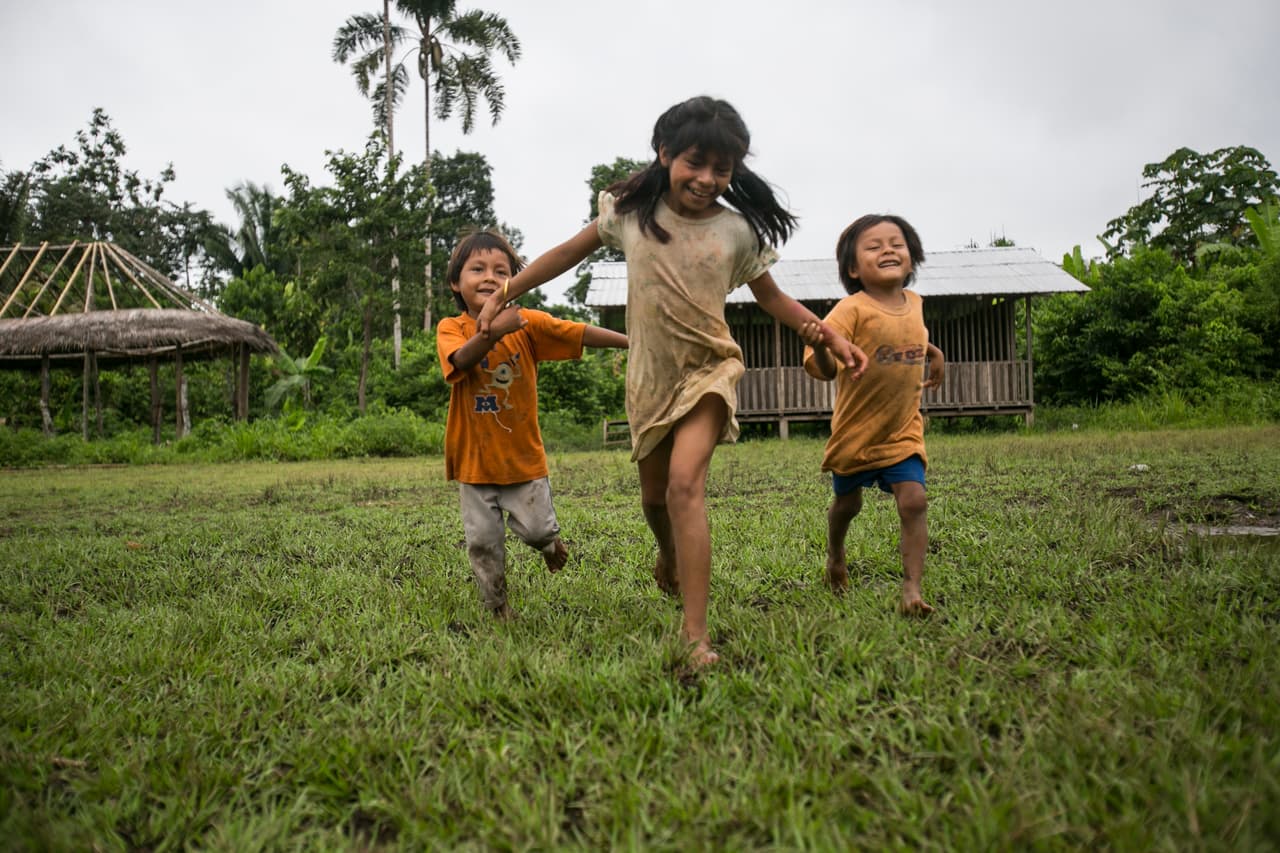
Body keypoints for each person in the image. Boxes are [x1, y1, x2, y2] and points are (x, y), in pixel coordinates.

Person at [476, 96, 866, 666]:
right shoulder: (633, 216)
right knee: (655, 499)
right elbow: (565, 254)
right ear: (664, 154)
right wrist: (508, 290)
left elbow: (774, 299)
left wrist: (825, 332)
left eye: (722, 168)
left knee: (686, 487)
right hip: (650, 379)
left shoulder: (737, 232)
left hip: (710, 370)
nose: (708, 178)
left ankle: (695, 635)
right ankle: (667, 555)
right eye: (695, 162)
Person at [437, 230, 628, 620]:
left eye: (501, 270)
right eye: (477, 269)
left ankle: (549, 545)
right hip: (474, 465)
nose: (489, 277)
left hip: (523, 460)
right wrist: (493, 331)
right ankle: (497, 607)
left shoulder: (528, 324)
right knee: (484, 543)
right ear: (456, 282)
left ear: (515, 280)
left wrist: (632, 341)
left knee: (539, 530)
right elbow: (461, 361)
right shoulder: (452, 328)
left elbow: (577, 332)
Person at [801, 214, 945, 616]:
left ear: (912, 259)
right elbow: (823, 366)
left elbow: (910, 334)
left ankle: (912, 590)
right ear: (852, 267)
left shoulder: (914, 303)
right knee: (847, 506)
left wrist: (933, 353)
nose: (887, 250)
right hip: (857, 432)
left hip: (902, 430)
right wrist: (824, 347)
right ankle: (835, 557)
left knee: (914, 501)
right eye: (874, 246)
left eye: (896, 243)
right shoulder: (850, 310)